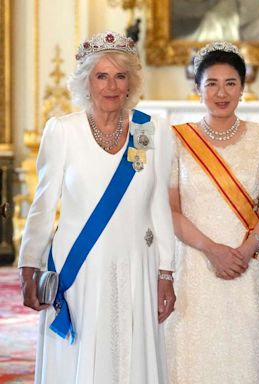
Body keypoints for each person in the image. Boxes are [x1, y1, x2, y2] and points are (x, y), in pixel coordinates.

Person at [18, 31, 176, 383]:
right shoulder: (63, 131)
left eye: (120, 76)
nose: (111, 86)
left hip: (137, 262)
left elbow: (159, 206)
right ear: (86, 81)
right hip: (79, 266)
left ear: (132, 81)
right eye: (101, 76)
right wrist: (28, 266)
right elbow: (43, 205)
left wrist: (166, 272)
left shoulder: (153, 131)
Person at [165, 41, 259, 384]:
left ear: (242, 88)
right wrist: (213, 251)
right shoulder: (176, 140)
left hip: (250, 264)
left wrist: (244, 250)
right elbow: (171, 210)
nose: (221, 92)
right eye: (211, 83)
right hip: (196, 265)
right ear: (197, 89)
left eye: (230, 83)